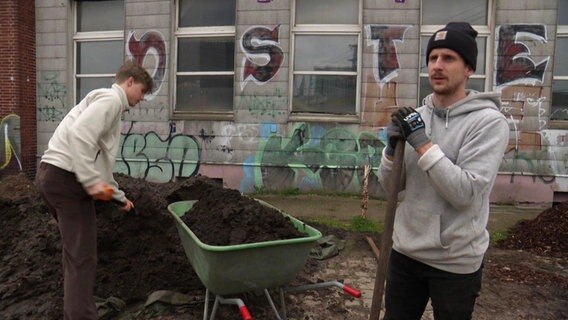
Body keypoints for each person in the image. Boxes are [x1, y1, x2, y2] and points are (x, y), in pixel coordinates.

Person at [378, 22, 509, 319]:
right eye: (433, 58)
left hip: (455, 261)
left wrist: (422, 143)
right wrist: (390, 151)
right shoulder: (416, 118)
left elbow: (465, 193)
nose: (437, 66)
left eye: (449, 58)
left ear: (468, 69)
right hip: (406, 252)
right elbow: (389, 189)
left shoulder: (488, 123)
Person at [35, 60, 153, 320]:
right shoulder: (111, 100)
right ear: (129, 82)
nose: (142, 98)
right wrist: (91, 184)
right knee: (82, 257)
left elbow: (100, 163)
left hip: (53, 177)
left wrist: (118, 198)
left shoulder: (107, 103)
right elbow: (79, 137)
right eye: (142, 91)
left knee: (76, 254)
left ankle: (75, 311)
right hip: (67, 181)